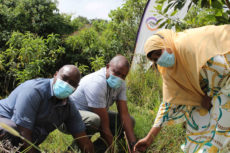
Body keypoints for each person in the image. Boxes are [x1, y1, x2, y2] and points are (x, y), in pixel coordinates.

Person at [134, 25, 230, 152]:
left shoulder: (187, 45)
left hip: (226, 77)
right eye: (155, 60)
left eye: (159, 54)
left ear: (166, 43)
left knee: (221, 108)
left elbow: (222, 70)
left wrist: (211, 96)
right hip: (213, 89)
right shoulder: (168, 71)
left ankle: (214, 147)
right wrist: (149, 138)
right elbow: (168, 103)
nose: (159, 61)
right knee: (198, 113)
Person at [0, 65, 94, 153]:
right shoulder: (35, 91)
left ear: (76, 88)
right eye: (64, 78)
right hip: (6, 121)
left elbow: (82, 138)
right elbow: (23, 132)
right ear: (56, 74)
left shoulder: (68, 107)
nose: (66, 84)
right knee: (10, 131)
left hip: (25, 136)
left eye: (72, 83)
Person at [69, 55, 137, 152]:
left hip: (93, 115)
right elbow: (104, 127)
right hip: (69, 117)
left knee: (130, 121)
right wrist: (113, 150)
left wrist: (133, 145)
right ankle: (76, 149)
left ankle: (96, 149)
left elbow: (124, 114)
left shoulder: (121, 84)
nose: (119, 78)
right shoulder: (96, 83)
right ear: (108, 67)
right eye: (117, 73)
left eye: (123, 76)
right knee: (94, 120)